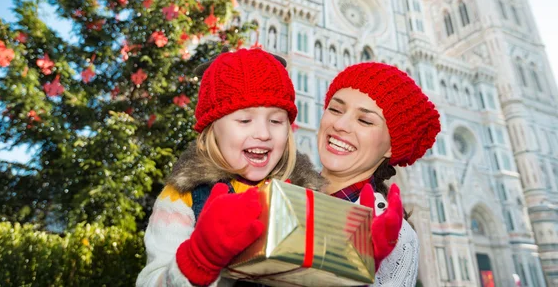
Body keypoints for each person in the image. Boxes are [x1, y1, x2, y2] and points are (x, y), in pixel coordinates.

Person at [137, 48, 324, 287]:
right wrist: (199, 259)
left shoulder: (304, 197)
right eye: (245, 120)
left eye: (276, 121)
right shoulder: (182, 198)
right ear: (212, 129)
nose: (263, 133)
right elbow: (151, 281)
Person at [318, 62, 441, 286]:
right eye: (335, 109)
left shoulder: (396, 237)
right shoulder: (279, 190)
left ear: (391, 147)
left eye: (364, 120)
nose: (340, 124)